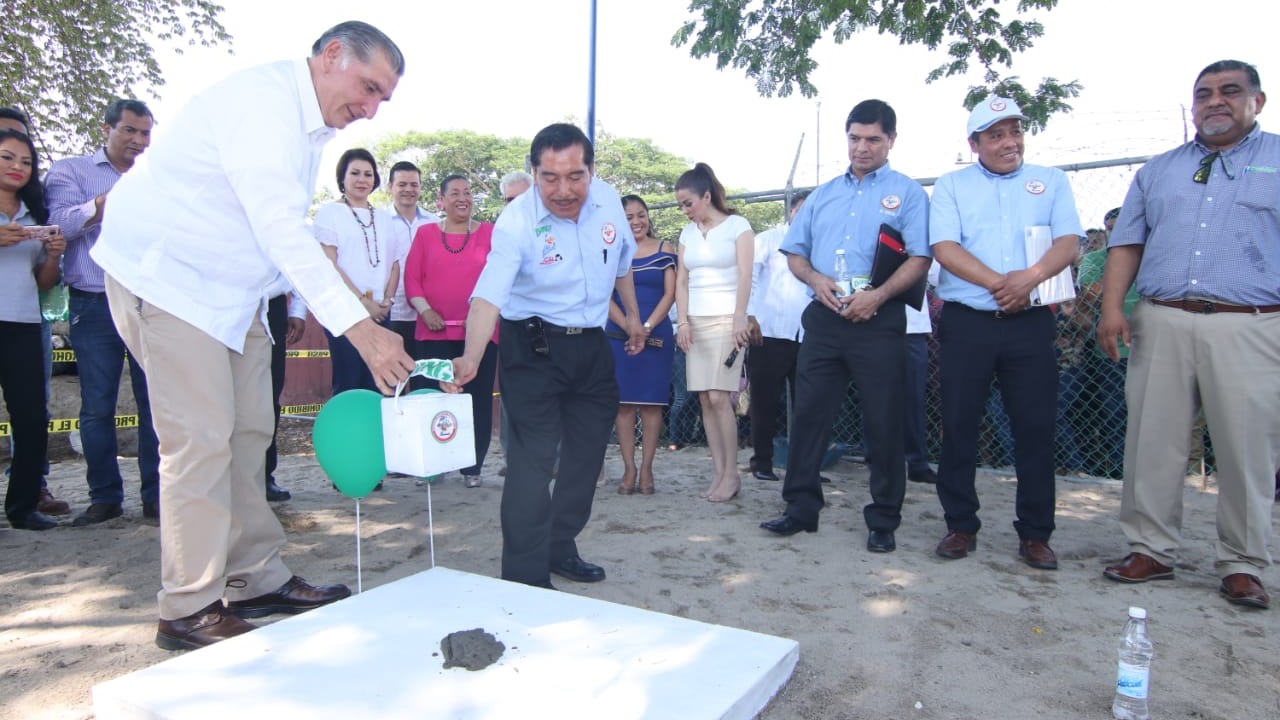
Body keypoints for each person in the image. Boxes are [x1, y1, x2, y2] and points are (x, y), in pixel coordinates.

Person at [89, 21, 414, 650]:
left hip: (236, 296)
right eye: (369, 88)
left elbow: (269, 230)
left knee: (248, 432)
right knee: (200, 440)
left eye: (383, 99)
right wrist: (361, 331)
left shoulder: (309, 127)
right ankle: (188, 606)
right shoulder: (263, 103)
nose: (372, 109)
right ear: (332, 55)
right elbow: (280, 229)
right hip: (170, 280)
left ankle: (253, 578)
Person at [1099, 60, 1279, 610]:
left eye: (1230, 91)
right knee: (1152, 443)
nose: (1215, 101)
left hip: (1251, 324)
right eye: (1204, 94)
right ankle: (1150, 549)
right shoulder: (1158, 170)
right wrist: (1112, 308)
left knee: (1246, 450)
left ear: (1257, 101)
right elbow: (1126, 243)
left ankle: (1242, 563)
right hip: (1162, 320)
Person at [443, 122, 644, 589]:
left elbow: (621, 264)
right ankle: (525, 577)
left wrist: (632, 315)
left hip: (591, 345)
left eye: (575, 176)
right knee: (532, 462)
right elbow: (488, 298)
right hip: (532, 348)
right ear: (534, 173)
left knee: (586, 457)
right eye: (550, 178)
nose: (563, 190)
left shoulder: (608, 201)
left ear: (591, 170)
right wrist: (471, 357)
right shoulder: (516, 222)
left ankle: (559, 544)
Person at [758, 99, 930, 553]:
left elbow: (920, 258)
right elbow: (796, 253)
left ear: (891, 140)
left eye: (873, 139)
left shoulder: (909, 194)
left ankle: (884, 519)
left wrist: (878, 296)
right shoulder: (823, 195)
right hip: (826, 318)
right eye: (855, 138)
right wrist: (815, 280)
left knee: (883, 420)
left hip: (879, 317)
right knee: (809, 415)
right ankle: (800, 508)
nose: (862, 147)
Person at [929, 95, 1084, 571]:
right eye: (995, 135)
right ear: (974, 143)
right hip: (968, 322)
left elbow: (1069, 242)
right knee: (959, 425)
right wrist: (1004, 284)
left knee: (1035, 428)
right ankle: (960, 525)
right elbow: (944, 248)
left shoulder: (1051, 181)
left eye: (1015, 131)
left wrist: (1029, 279)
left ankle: (1035, 534)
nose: (1009, 142)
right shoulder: (952, 185)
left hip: (1030, 324)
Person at [44, 99, 162, 526]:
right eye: (129, 130)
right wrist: (106, 202)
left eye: (145, 133)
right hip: (94, 302)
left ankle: (156, 497)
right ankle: (105, 497)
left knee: (155, 404)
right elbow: (58, 226)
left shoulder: (158, 178)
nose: (138, 141)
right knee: (97, 406)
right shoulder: (71, 171)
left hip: (151, 303)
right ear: (106, 129)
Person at [404, 174, 497, 488]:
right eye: (455, 193)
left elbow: (499, 278)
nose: (463, 198)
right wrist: (425, 310)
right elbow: (412, 280)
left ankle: (472, 468)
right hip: (432, 334)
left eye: (468, 192)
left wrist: (479, 318)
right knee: (431, 399)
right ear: (441, 201)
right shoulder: (425, 233)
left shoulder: (489, 233)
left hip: (479, 337)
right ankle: (432, 465)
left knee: (476, 401)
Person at [0, 106, 69, 517]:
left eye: (26, 161)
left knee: (30, 418)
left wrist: (54, 255)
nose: (17, 167)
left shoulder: (35, 214)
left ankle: (24, 507)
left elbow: (44, 283)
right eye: (7, 157)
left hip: (23, 323)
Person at [673, 163, 753, 503]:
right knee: (705, 398)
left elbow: (746, 275)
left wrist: (739, 317)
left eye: (688, 203)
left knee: (720, 397)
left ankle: (732, 474)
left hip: (727, 320)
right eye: (680, 205)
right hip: (696, 322)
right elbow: (681, 280)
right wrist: (683, 322)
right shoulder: (687, 234)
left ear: (706, 196)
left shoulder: (738, 226)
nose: (685, 210)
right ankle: (719, 473)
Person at [315, 148, 409, 396]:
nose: (362, 180)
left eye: (368, 174)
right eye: (355, 173)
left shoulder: (384, 217)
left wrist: (387, 300)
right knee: (349, 383)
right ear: (342, 177)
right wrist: (362, 301)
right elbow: (329, 263)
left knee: (383, 384)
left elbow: (394, 263)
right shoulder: (329, 213)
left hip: (381, 311)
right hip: (345, 311)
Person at [607, 195, 676, 495]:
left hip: (656, 334)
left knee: (651, 405)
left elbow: (670, 294)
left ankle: (647, 468)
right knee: (622, 405)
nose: (636, 221)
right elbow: (604, 295)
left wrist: (645, 329)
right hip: (618, 335)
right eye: (629, 217)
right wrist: (628, 327)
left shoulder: (665, 249)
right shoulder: (610, 250)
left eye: (641, 214)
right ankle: (629, 468)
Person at [745, 191, 809, 483]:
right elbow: (748, 276)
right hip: (768, 333)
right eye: (801, 209)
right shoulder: (769, 240)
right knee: (764, 403)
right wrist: (749, 315)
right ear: (791, 210)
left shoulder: (820, 244)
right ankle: (762, 462)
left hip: (808, 336)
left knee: (809, 405)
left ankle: (806, 467)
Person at [495, 170, 535, 473]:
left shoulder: (556, 225)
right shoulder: (501, 231)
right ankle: (513, 458)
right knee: (512, 392)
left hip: (551, 322)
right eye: (509, 199)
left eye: (521, 197)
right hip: (512, 321)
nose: (515, 204)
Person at [384, 160, 439, 364]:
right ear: (390, 187)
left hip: (427, 315)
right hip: (392, 313)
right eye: (402, 184)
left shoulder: (435, 222)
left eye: (414, 184)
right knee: (394, 376)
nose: (409, 189)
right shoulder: (379, 221)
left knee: (425, 375)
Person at [262, 289, 308, 502]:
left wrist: (298, 310)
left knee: (269, 395)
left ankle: (263, 476)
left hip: (270, 304)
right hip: (223, 302)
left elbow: (298, 270)